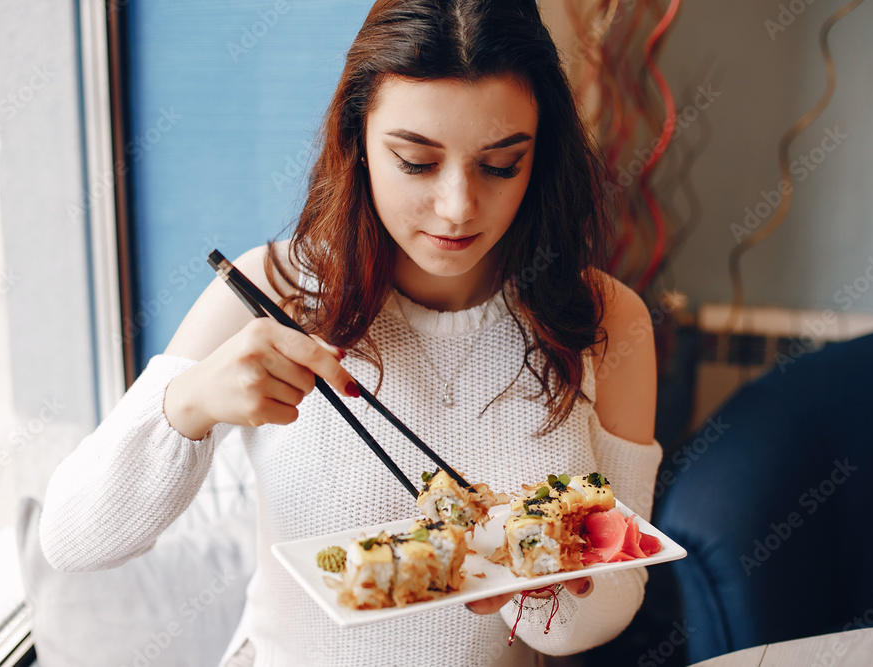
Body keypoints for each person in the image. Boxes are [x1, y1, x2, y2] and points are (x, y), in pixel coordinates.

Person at [38, 0, 662, 665]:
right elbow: (72, 538)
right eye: (417, 162)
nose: (458, 206)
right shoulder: (274, 291)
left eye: (501, 164)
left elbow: (614, 593)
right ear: (357, 139)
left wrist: (528, 578)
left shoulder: (605, 320)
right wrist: (188, 404)